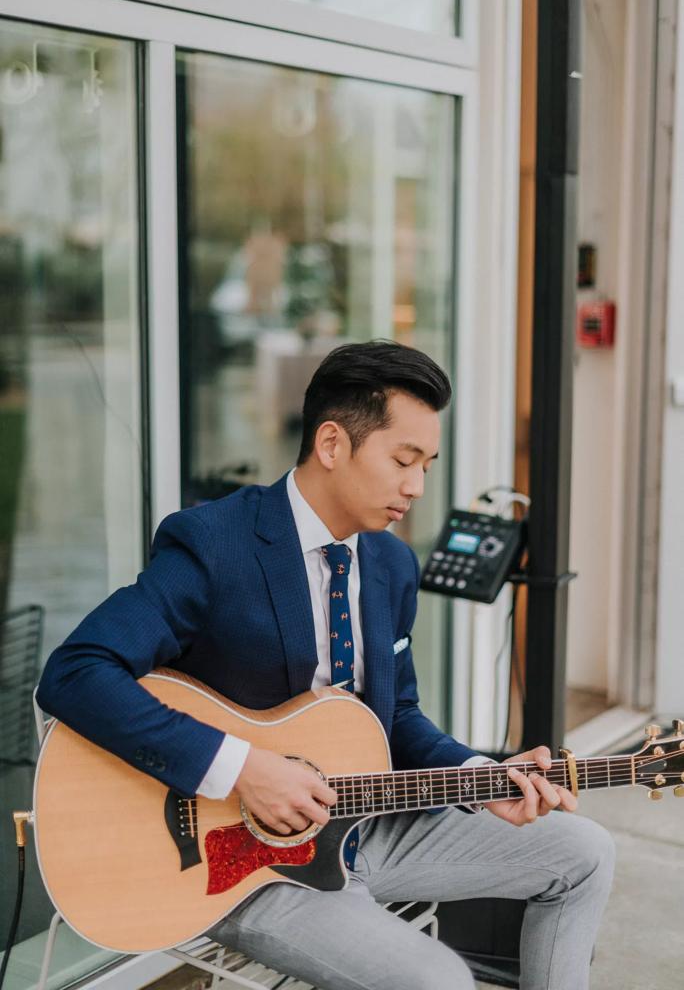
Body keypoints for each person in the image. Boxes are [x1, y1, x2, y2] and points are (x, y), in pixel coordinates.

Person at [37, 340, 614, 990]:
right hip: (245, 859)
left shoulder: (392, 565)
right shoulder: (215, 544)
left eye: (427, 465)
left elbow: (396, 718)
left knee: (586, 852)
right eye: (404, 460)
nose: (416, 487)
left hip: (367, 829)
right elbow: (77, 672)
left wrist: (482, 776)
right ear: (333, 443)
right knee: (437, 981)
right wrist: (243, 769)